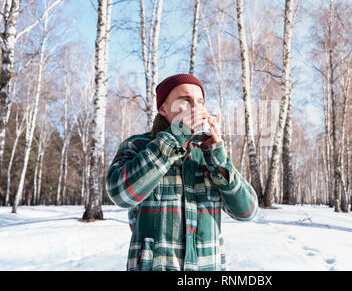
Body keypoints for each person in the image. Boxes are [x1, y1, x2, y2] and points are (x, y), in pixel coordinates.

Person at [105, 73, 258, 271]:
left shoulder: (208, 154)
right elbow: (121, 195)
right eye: (185, 100)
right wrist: (174, 138)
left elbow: (247, 211)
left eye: (200, 102)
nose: (196, 107)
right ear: (163, 109)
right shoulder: (138, 145)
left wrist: (217, 156)